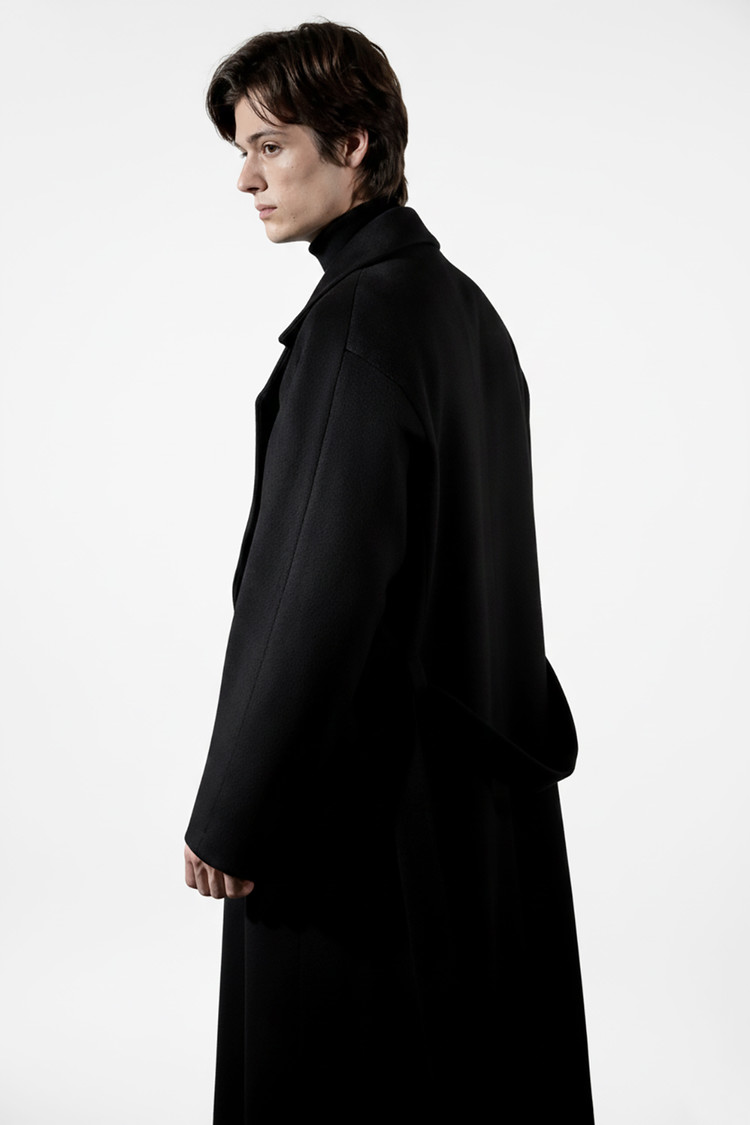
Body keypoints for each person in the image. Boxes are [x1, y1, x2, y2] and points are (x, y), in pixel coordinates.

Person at [184, 19, 594, 1123]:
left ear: (354, 143)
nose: (246, 178)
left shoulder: (359, 323)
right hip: (475, 815)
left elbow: (315, 592)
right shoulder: (462, 312)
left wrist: (232, 810)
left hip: (358, 828)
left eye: (271, 146)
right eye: (242, 150)